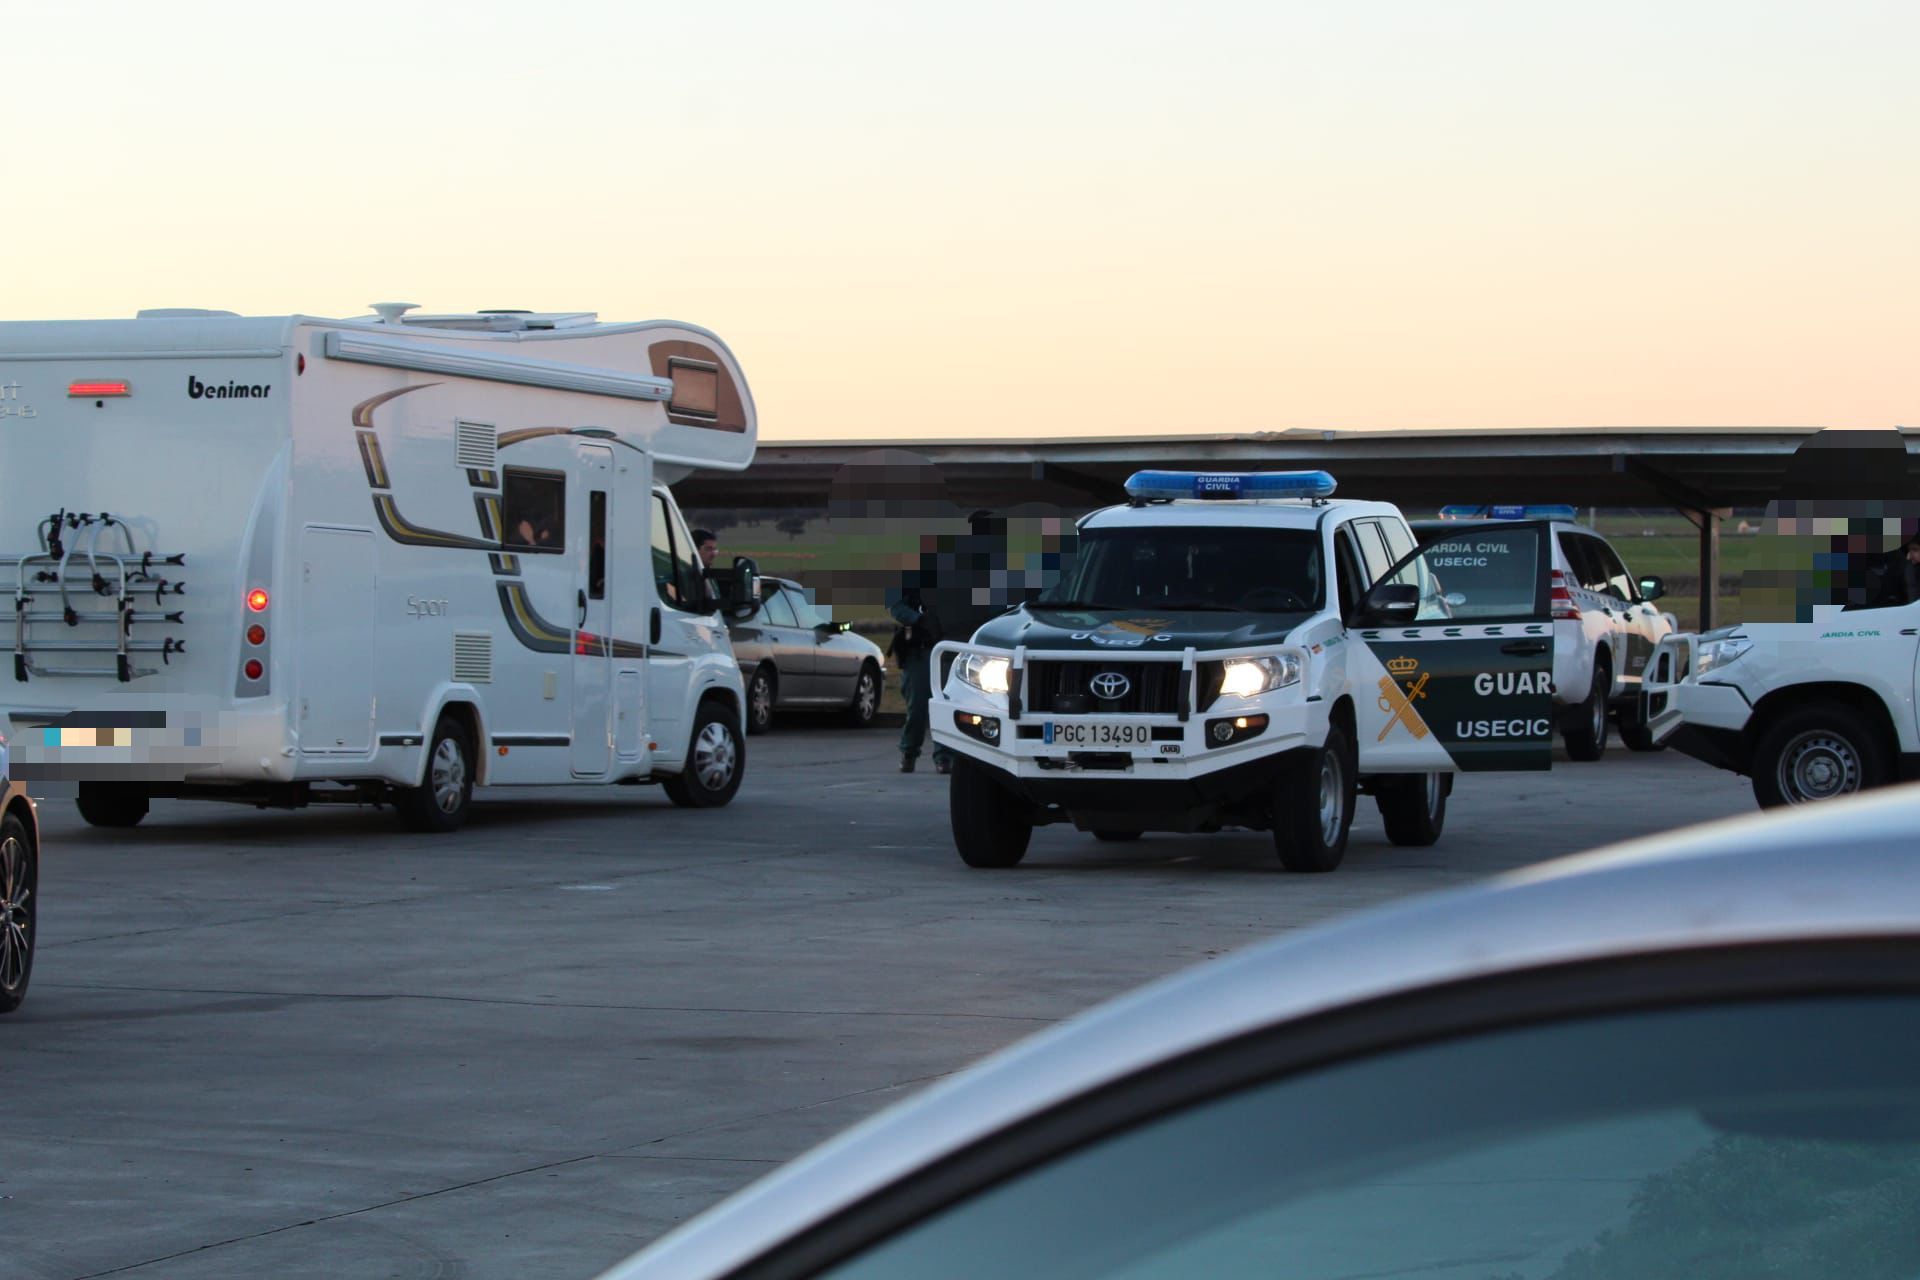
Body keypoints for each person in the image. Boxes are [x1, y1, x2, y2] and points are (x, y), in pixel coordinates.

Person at [888, 587, 951, 773]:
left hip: (947, 647)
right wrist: (919, 619)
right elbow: (895, 606)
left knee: (945, 704)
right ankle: (909, 751)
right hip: (918, 650)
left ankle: (944, 757)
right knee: (917, 706)